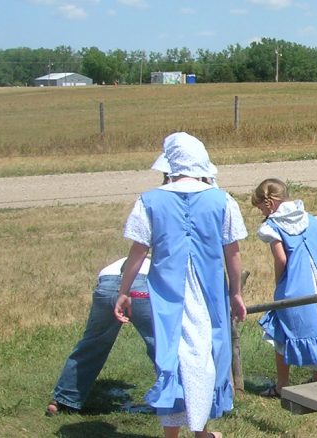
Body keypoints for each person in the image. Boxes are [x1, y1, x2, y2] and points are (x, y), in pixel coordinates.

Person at [114, 131, 248, 438]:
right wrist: (235, 292)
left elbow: (138, 251)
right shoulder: (222, 200)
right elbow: (233, 252)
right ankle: (198, 430)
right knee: (205, 355)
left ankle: (188, 432)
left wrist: (124, 292)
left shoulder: (149, 201)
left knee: (174, 358)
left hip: (168, 295)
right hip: (208, 294)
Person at [250, 178, 317, 398]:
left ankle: (282, 385)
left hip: (295, 284)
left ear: (268, 204)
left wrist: (279, 283)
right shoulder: (311, 219)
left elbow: (281, 259)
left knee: (281, 330)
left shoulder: (274, 226)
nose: (261, 212)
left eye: (260, 207)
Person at [46, 257, 156, 416]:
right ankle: (177, 401)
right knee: (160, 346)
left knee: (92, 344)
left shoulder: (119, 262)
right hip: (141, 286)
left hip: (106, 285)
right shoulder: (157, 261)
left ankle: (64, 399)